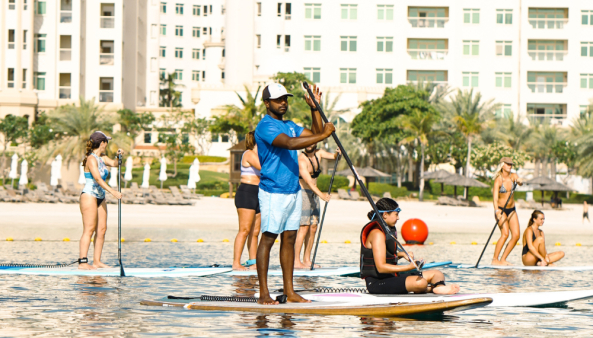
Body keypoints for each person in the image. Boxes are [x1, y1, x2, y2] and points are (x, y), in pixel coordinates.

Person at [255, 83, 335, 305]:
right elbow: (290, 144)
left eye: (285, 99)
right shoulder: (265, 126)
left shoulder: (290, 125)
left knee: (289, 239)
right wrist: (324, 134)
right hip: (273, 191)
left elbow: (316, 134)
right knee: (269, 238)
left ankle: (289, 292)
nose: (283, 103)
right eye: (278, 99)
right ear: (267, 103)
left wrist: (314, 109)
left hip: (293, 190)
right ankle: (263, 293)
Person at [361, 198, 460, 295]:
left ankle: (439, 288)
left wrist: (402, 254)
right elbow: (381, 268)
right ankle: (429, 288)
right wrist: (409, 267)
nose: (398, 218)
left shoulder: (386, 231)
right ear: (385, 215)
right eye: (396, 214)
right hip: (377, 283)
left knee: (437, 274)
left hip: (391, 278)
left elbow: (386, 255)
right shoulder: (377, 234)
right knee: (421, 282)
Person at [79, 131, 123, 270]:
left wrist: (119, 156)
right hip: (89, 196)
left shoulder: (102, 158)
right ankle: (83, 262)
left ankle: (97, 261)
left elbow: (115, 164)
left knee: (102, 229)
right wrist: (113, 192)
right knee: (89, 229)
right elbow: (97, 178)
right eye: (106, 142)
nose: (107, 144)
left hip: (100, 196)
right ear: (102, 143)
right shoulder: (91, 159)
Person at [294, 143, 339, 269]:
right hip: (303, 193)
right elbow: (309, 181)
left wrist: (337, 153)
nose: (308, 145)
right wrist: (322, 195)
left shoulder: (319, 153)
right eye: (306, 142)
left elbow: (334, 157)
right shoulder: (301, 159)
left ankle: (307, 259)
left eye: (311, 141)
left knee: (313, 226)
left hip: (314, 193)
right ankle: (296, 261)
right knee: (304, 227)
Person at [232, 131, 262, 271]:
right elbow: (264, 168)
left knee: (255, 231)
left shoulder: (262, 155)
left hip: (259, 193)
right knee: (244, 230)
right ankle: (236, 263)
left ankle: (253, 261)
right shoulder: (249, 153)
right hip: (246, 192)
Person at [491, 157, 523, 266]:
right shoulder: (498, 180)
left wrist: (519, 181)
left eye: (511, 164)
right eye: (508, 164)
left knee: (516, 235)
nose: (510, 166)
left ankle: (503, 259)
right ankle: (495, 259)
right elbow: (495, 199)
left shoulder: (513, 176)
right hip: (500, 210)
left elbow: (520, 181)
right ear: (502, 165)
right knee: (505, 234)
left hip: (512, 209)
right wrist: (496, 211)